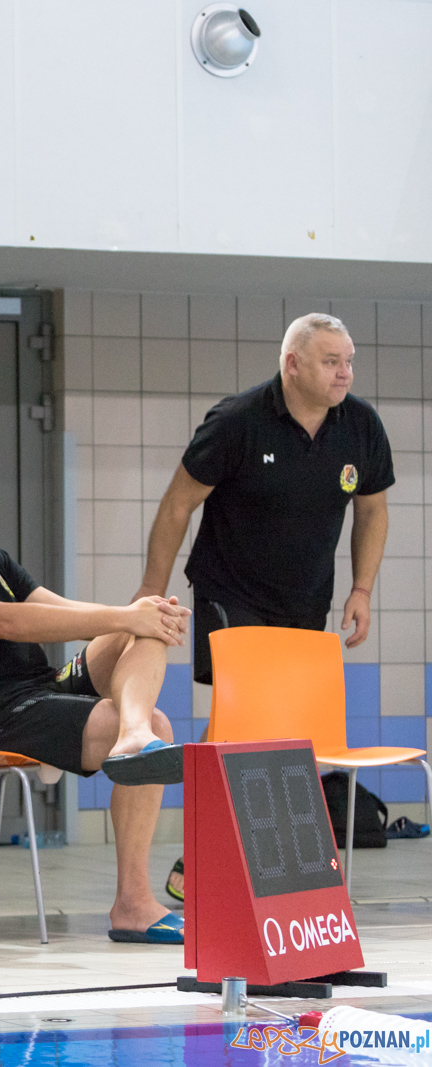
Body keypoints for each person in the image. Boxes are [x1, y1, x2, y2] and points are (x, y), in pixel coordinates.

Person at [0, 437, 191, 944]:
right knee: (159, 719)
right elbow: (6, 621)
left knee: (147, 624)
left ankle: (132, 732)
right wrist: (124, 615)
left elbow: (60, 609)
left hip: (36, 690)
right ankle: (133, 902)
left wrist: (138, 615)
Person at [136, 313, 392, 900]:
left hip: (305, 598)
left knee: (281, 728)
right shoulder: (238, 421)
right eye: (332, 361)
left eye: (349, 361)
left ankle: (237, 857)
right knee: (243, 718)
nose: (345, 373)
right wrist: (151, 588)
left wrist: (362, 589)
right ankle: (204, 859)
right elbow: (177, 504)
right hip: (232, 591)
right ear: (293, 364)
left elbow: (373, 509)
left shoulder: (360, 425)